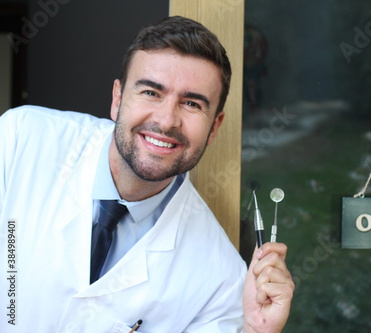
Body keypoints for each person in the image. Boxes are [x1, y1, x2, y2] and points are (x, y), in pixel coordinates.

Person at [0, 16, 294, 332]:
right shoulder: (20, 139)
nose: (167, 121)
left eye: (192, 103)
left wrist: (257, 331)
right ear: (117, 99)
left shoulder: (220, 281)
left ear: (214, 128)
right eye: (151, 92)